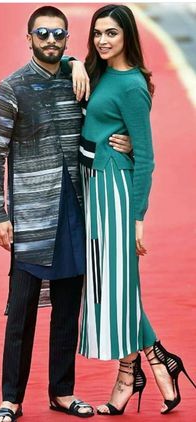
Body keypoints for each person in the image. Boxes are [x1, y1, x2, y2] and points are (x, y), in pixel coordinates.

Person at [0, 6, 132, 422]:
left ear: (67, 39)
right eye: (43, 34)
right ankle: (11, 398)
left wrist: (129, 143)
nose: (51, 40)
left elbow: (117, 111)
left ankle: (62, 392)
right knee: (23, 308)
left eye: (59, 35)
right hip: (32, 214)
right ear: (29, 38)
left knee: (68, 305)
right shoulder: (10, 88)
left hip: (79, 209)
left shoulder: (78, 79)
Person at [69, 4, 196, 416]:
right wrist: (74, 61)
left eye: (112, 34)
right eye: (98, 33)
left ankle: (134, 374)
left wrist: (138, 218)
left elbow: (146, 156)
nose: (103, 41)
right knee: (116, 284)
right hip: (93, 185)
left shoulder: (133, 85)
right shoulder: (97, 70)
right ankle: (158, 363)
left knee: (116, 284)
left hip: (116, 192)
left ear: (128, 37)